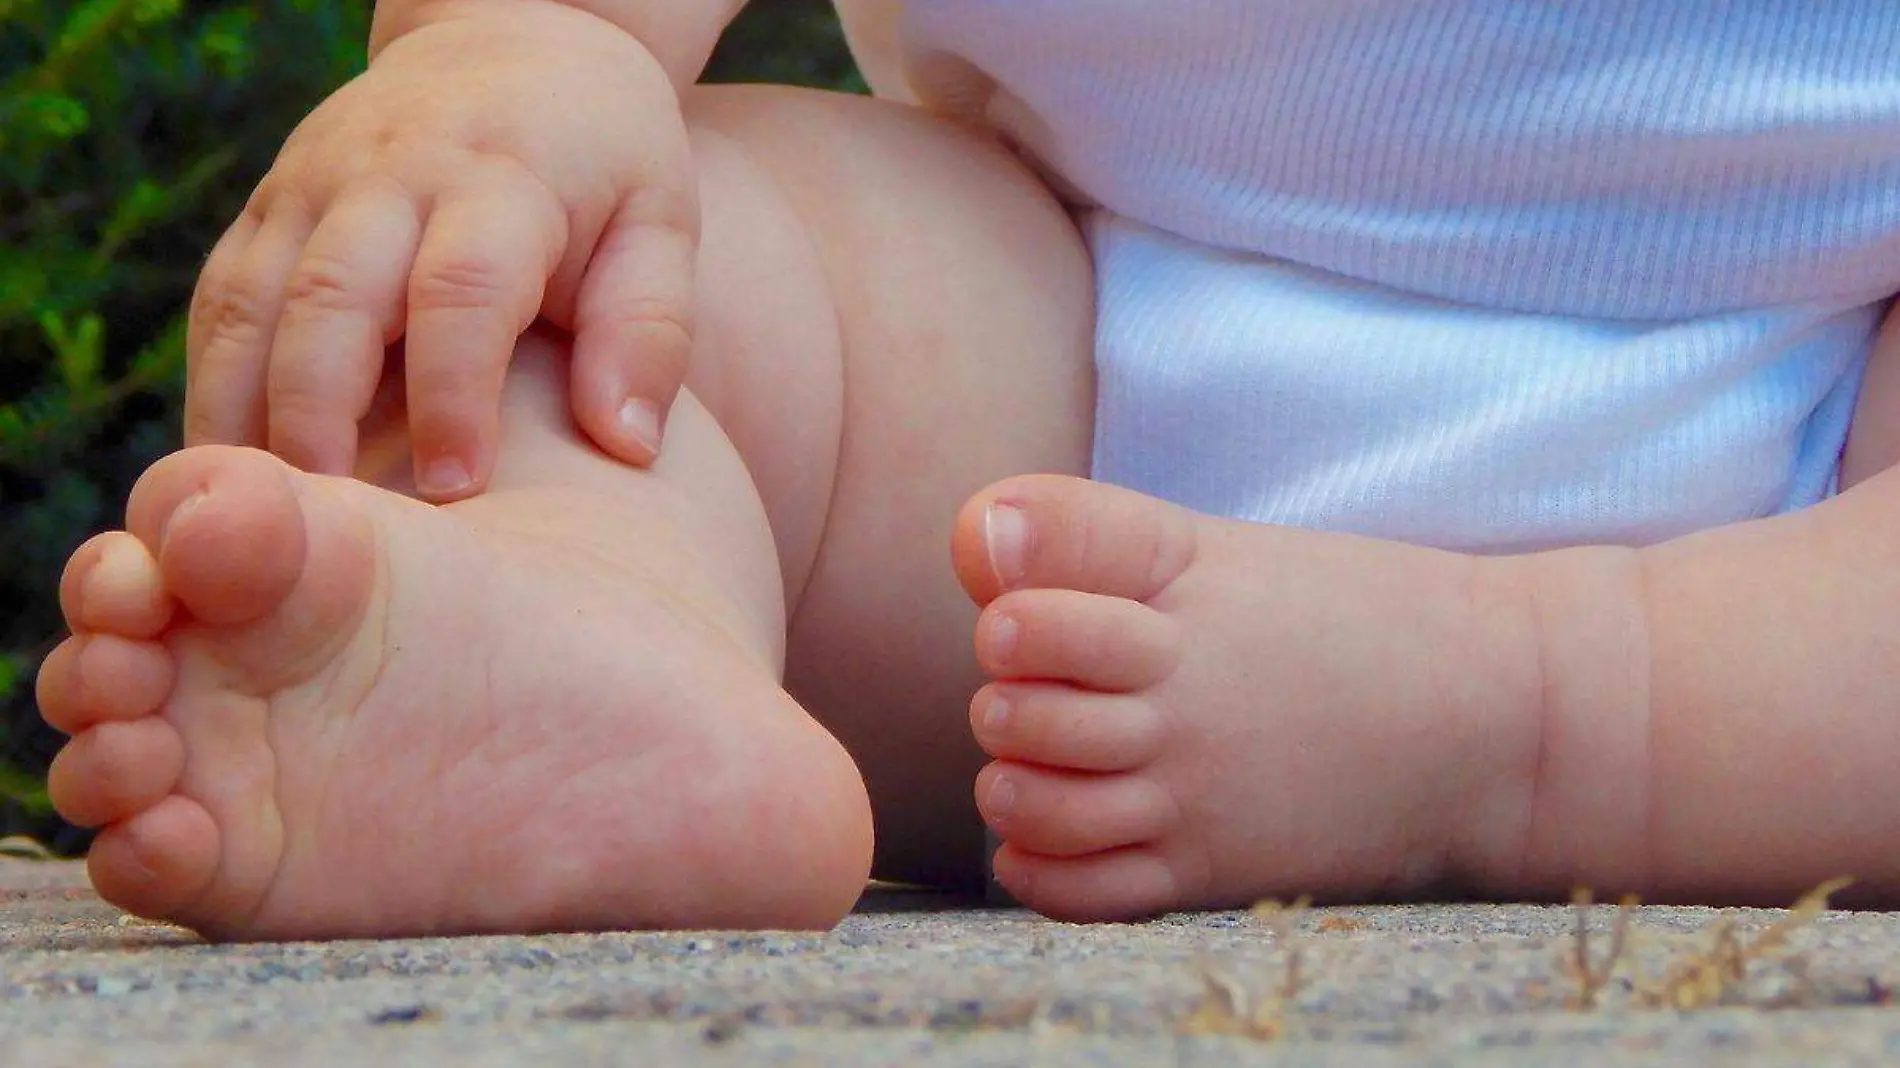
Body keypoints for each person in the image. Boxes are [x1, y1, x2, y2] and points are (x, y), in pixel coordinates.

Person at [32, 0, 1900, 940]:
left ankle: (1512, 710)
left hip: (1825, 419)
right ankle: (604, 616)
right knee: (605, 259)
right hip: (1052, 329)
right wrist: (531, 48)